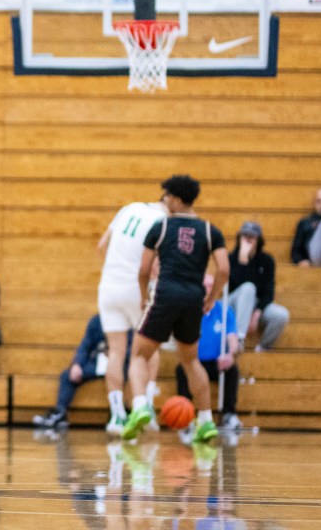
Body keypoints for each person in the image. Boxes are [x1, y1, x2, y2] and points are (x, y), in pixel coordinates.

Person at [122, 174, 228, 444]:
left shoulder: (161, 227)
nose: (165, 200)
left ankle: (141, 406)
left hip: (165, 296)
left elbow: (144, 270)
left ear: (178, 199)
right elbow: (224, 270)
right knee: (191, 361)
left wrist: (144, 296)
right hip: (193, 299)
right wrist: (211, 298)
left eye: (167, 196)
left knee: (138, 355)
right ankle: (205, 422)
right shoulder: (209, 230)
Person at [97, 199, 167, 434]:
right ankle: (144, 407)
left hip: (108, 286)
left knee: (116, 351)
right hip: (135, 287)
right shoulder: (161, 220)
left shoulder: (128, 208)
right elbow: (155, 264)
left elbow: (102, 245)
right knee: (149, 349)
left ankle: (117, 416)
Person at [33, 313, 129, 429]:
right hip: (97, 364)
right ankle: (60, 413)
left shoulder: (127, 322)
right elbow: (85, 345)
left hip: (119, 365)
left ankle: (119, 411)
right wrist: (77, 364)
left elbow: (133, 349)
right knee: (67, 375)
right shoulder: (96, 321)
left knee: (120, 374)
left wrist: (116, 356)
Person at [176, 275, 241, 432]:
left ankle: (228, 414)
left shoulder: (224, 311)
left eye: (211, 286)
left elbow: (232, 337)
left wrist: (230, 355)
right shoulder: (190, 310)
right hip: (195, 362)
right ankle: (187, 416)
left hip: (216, 362)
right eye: (204, 286)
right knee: (181, 369)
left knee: (232, 370)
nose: (207, 289)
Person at [226, 222, 289, 351]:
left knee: (282, 315)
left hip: (256, 305)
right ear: (239, 237)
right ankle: (239, 339)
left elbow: (268, 291)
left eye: (252, 236)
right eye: (245, 236)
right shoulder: (230, 258)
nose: (248, 239)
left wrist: (256, 313)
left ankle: (263, 348)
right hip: (232, 304)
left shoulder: (267, 260)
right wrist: (243, 260)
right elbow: (232, 287)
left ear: (258, 240)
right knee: (248, 287)